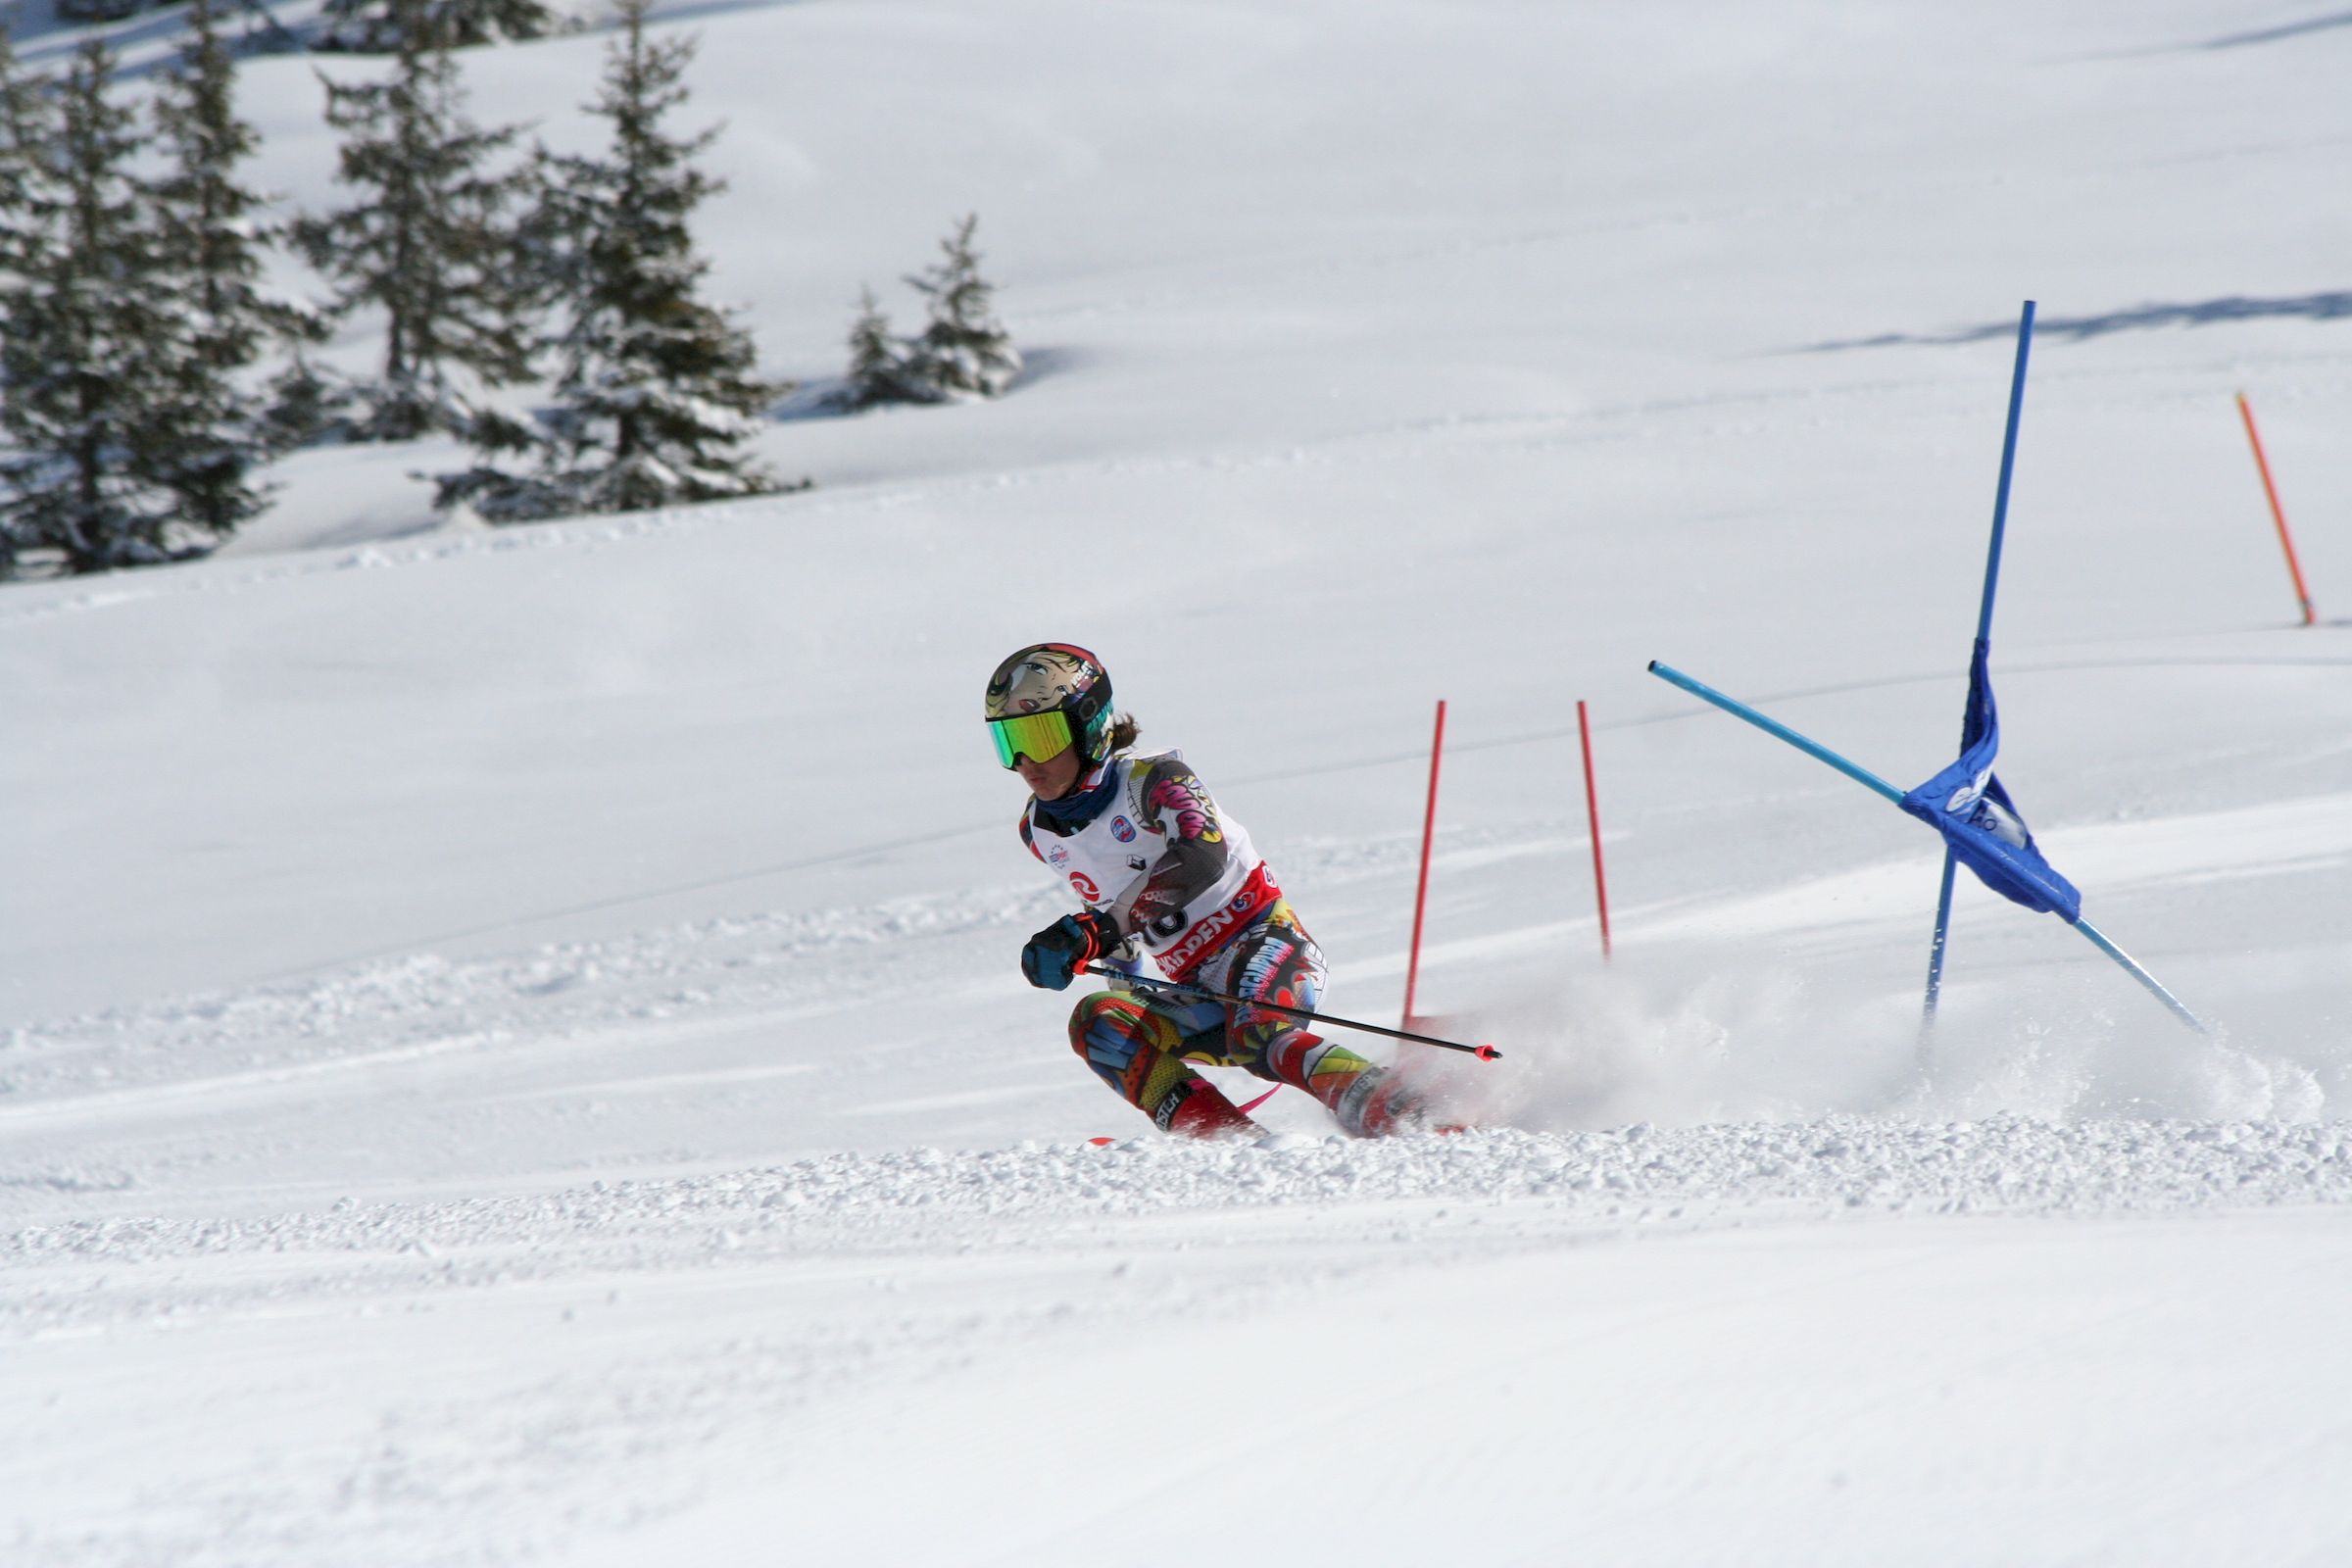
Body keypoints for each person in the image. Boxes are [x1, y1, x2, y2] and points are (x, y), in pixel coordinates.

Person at [986, 642, 1443, 1140]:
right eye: (1009, 742)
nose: (1025, 761)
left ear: (1088, 724)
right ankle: (1230, 1145)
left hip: (1266, 944)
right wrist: (1106, 967)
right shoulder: (1040, 832)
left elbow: (1201, 856)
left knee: (1259, 1035)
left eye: (1040, 735)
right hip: (1199, 990)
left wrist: (1098, 930)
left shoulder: (1153, 781)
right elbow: (1104, 908)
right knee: (1098, 1023)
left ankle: (1408, 1114)